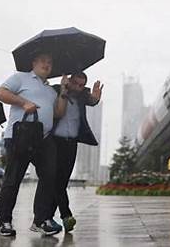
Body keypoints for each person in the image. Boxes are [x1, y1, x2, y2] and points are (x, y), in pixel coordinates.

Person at [0, 52, 67, 237]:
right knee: (13, 178)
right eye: (43, 60)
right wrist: (24, 102)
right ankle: (4, 220)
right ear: (33, 62)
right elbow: (0, 93)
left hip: (43, 138)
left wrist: (63, 92)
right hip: (20, 136)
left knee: (49, 176)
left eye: (50, 62)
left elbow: (58, 113)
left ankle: (40, 220)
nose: (47, 64)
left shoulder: (51, 91)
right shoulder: (20, 78)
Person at [49, 72, 102, 232]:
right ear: (69, 81)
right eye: (76, 83)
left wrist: (96, 98)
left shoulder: (81, 96)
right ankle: (66, 215)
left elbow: (91, 101)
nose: (79, 87)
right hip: (54, 142)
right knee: (56, 181)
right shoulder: (56, 90)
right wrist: (63, 89)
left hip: (71, 143)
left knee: (62, 181)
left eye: (82, 85)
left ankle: (49, 217)